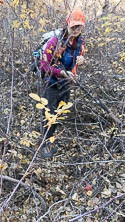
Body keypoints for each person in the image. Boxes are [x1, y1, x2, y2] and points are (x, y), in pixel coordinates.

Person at [39, 10, 86, 158]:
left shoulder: (80, 42)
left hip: (66, 84)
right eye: (73, 27)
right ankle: (44, 146)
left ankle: (50, 139)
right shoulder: (55, 42)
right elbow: (43, 66)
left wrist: (81, 61)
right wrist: (61, 73)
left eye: (79, 27)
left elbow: (75, 61)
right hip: (51, 84)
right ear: (67, 25)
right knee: (49, 114)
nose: (76, 30)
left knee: (59, 114)